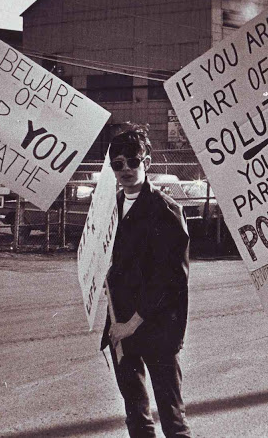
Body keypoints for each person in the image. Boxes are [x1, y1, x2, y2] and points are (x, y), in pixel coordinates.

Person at [100, 125, 192, 438]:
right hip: (120, 322)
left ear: (147, 162)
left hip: (157, 327)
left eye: (132, 161)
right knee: (137, 417)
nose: (125, 169)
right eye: (117, 164)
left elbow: (170, 281)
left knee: (173, 419)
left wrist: (134, 322)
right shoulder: (108, 210)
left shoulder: (166, 211)